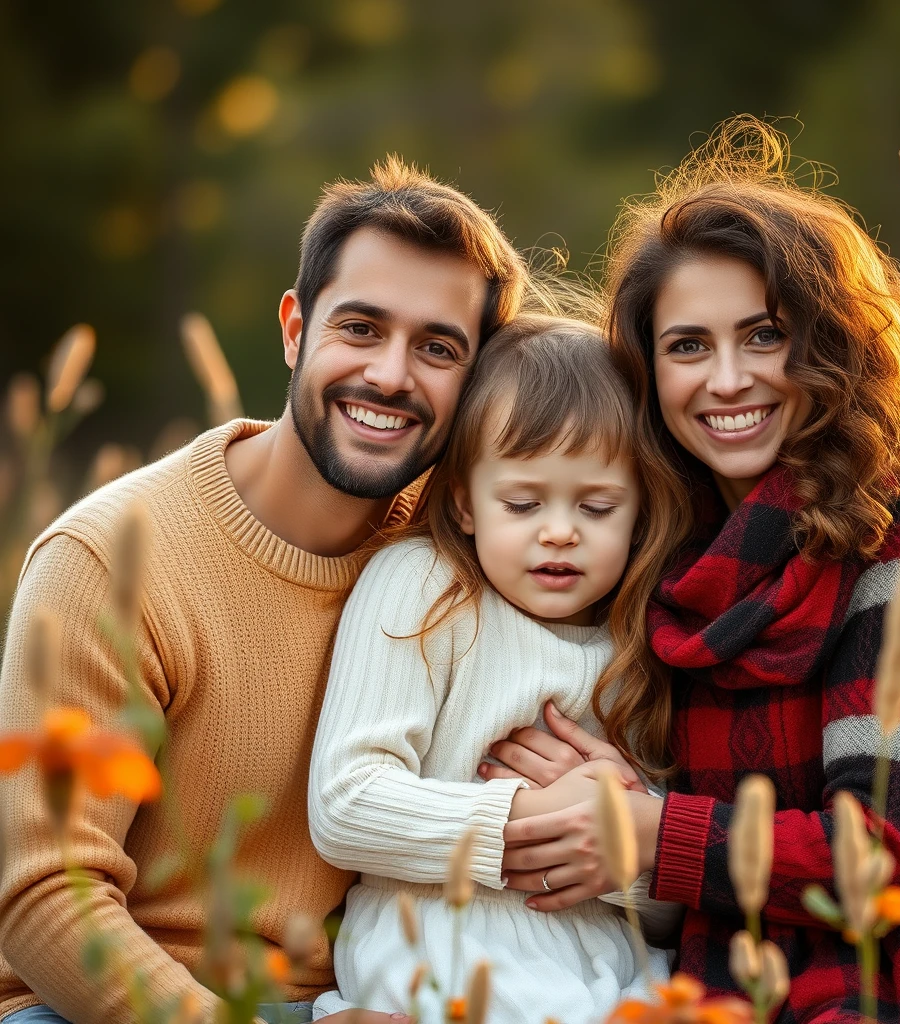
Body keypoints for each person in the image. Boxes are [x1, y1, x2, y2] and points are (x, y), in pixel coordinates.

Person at [489, 118, 900, 1023]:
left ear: (829, 345)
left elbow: (874, 863)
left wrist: (648, 832)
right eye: (688, 346)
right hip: (701, 998)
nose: (727, 379)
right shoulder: (668, 551)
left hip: (885, 1002)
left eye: (764, 336)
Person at [0, 157, 526, 1024]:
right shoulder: (108, 560)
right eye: (360, 328)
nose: (391, 375)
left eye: (438, 348)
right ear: (294, 328)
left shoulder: (467, 552)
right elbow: (46, 899)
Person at [307, 314, 689, 1023]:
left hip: (614, 969)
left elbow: (669, 910)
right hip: (442, 950)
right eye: (522, 502)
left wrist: (634, 835)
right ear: (466, 503)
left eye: (598, 506)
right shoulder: (426, 588)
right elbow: (345, 803)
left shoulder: (641, 641)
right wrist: (534, 819)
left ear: (639, 515)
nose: (559, 530)